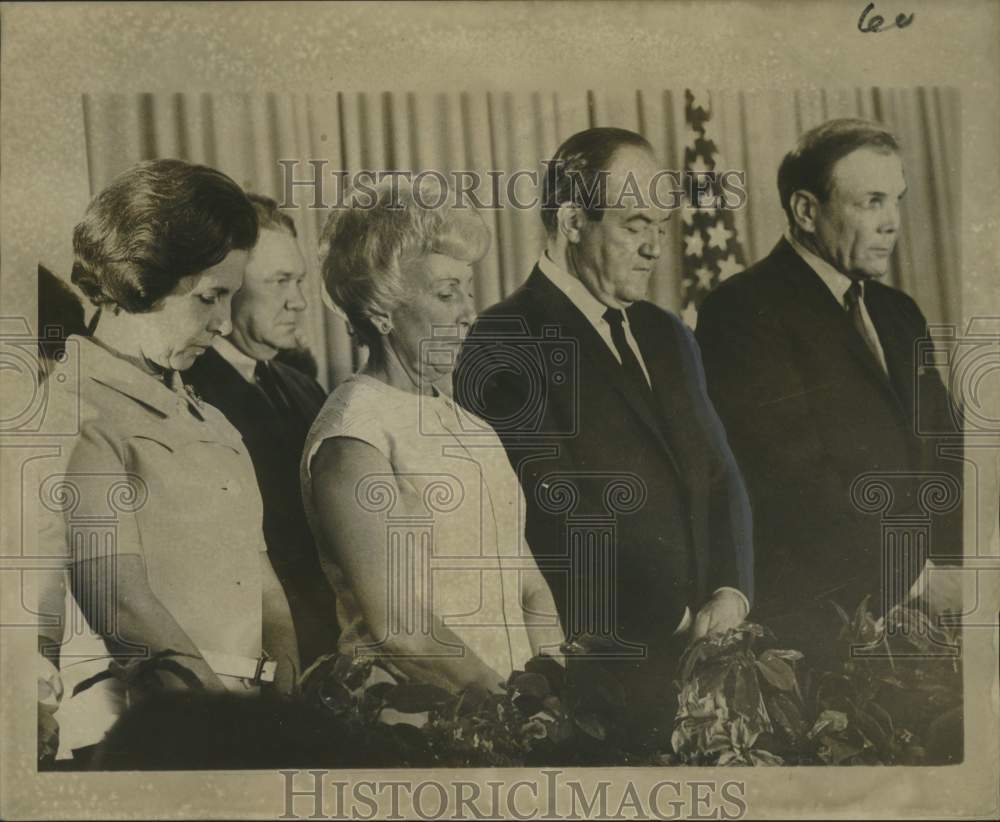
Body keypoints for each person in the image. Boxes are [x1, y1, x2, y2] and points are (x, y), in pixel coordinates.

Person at [453, 127, 753, 746]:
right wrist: (676, 623)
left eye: (662, 227)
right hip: (607, 680)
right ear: (571, 220)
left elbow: (721, 474)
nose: (654, 249)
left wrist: (731, 593)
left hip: (713, 663)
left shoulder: (667, 334)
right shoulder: (502, 339)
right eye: (634, 224)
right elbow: (556, 515)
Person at [38, 159, 299, 764]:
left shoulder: (209, 417)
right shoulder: (77, 414)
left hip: (235, 725)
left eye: (231, 298)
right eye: (211, 297)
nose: (224, 322)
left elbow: (264, 588)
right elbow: (122, 604)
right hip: (143, 737)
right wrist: (226, 727)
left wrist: (284, 700)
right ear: (142, 280)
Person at [695, 119, 963, 662]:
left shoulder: (898, 313)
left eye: (897, 200)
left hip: (935, 614)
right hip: (827, 629)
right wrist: (918, 580)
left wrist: (965, 569)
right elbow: (791, 479)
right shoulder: (743, 312)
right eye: (871, 201)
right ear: (806, 210)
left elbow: (947, 452)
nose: (892, 223)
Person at [303, 178, 564, 696]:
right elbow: (403, 631)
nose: (468, 312)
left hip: (510, 716)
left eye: (467, 290)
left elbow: (531, 589)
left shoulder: (471, 426)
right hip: (418, 723)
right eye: (447, 294)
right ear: (380, 311)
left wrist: (556, 691)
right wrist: (508, 709)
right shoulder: (354, 436)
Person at [185, 193, 336, 668]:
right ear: (227, 287)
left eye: (301, 281)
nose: (300, 302)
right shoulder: (187, 393)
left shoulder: (304, 388)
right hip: (254, 657)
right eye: (280, 282)